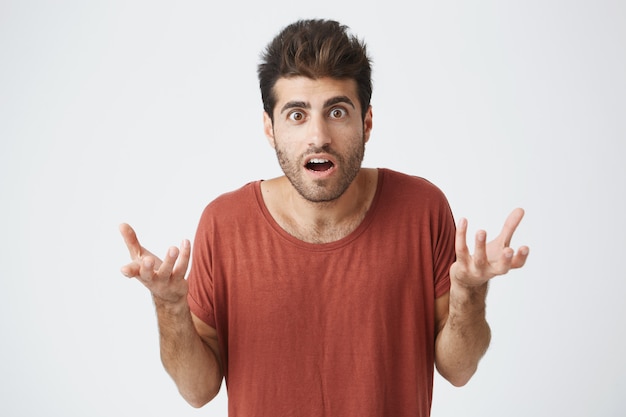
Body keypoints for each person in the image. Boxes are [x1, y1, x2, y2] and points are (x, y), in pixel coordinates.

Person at [119, 19, 529, 417]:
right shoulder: (224, 224)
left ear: (366, 122)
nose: (318, 136)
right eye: (297, 115)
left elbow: (458, 369)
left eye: (336, 112)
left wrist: (469, 291)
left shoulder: (422, 209)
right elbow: (197, 391)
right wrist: (169, 306)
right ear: (270, 128)